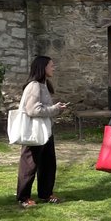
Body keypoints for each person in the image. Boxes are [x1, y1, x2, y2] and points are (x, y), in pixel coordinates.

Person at [17, 55, 68, 208]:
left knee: (48, 164)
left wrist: (56, 109)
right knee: (29, 165)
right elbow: (33, 110)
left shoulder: (43, 84)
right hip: (34, 132)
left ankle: (46, 193)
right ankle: (23, 197)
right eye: (51, 65)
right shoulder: (34, 85)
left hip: (45, 131)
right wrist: (55, 109)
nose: (54, 68)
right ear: (43, 67)